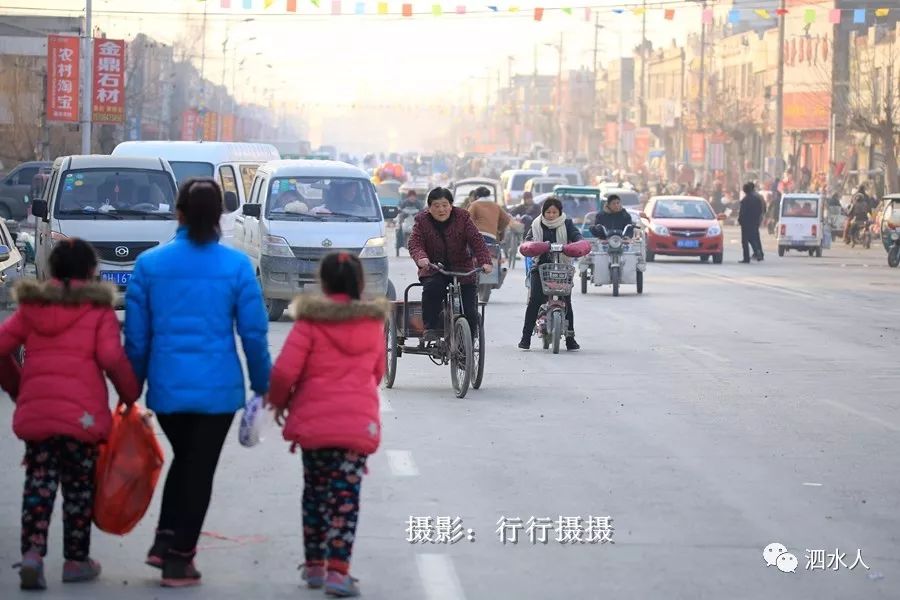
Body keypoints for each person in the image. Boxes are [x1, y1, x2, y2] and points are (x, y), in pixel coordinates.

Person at [124, 178, 271, 588]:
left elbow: (136, 338)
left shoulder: (150, 264)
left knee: (186, 461)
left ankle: (165, 540)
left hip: (167, 391)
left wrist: (129, 389)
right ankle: (178, 559)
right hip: (218, 393)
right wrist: (263, 383)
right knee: (197, 469)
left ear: (180, 213)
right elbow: (254, 335)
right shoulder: (237, 266)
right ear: (219, 217)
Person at [0, 239, 140, 590]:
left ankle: (32, 555)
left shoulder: (33, 307)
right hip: (83, 420)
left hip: (39, 416)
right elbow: (111, 360)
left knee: (39, 484)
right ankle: (76, 560)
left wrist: (18, 387)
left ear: (53, 270)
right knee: (79, 488)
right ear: (92, 272)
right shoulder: (97, 311)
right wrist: (129, 394)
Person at [267, 252, 387, 597]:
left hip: (314, 428)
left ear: (324, 283)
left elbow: (285, 372)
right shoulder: (371, 324)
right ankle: (338, 572)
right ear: (360, 283)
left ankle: (315, 567)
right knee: (345, 498)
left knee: (315, 494)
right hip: (356, 428)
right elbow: (376, 373)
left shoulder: (310, 322)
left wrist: (279, 403)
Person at [407, 187, 492, 343]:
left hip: (463, 269)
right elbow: (415, 243)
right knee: (433, 288)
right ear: (429, 207)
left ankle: (468, 345)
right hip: (434, 268)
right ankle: (430, 328)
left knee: (470, 312)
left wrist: (485, 261)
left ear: (451, 205)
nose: (441, 209)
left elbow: (477, 241)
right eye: (437, 206)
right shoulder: (422, 221)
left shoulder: (463, 218)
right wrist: (421, 258)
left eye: (445, 205)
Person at [519, 196, 582, 351]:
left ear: (560, 212)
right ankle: (525, 337)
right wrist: (537, 246)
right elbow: (528, 241)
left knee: (566, 300)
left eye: (554, 212)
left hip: (562, 268)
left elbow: (576, 235)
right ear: (543, 212)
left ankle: (570, 339)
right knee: (534, 300)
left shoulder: (567, 223)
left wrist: (578, 242)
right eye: (548, 212)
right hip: (540, 268)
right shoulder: (536, 224)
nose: (551, 215)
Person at [738, 182, 765, 263]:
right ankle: (758, 252)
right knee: (753, 238)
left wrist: (740, 220)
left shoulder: (745, 200)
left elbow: (742, 212)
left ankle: (746, 258)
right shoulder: (757, 199)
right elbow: (761, 210)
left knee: (745, 241)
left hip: (746, 223)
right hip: (754, 222)